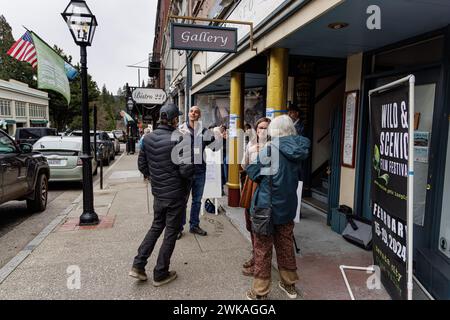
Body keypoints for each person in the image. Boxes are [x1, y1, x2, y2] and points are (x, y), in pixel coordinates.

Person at [245, 115, 310, 300]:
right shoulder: (300, 148)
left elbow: (252, 172)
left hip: (266, 206)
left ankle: (260, 292)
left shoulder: (270, 148)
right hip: (288, 206)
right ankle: (289, 284)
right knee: (286, 246)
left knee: (262, 249)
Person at [129, 103, 194, 286]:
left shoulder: (147, 139)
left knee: (156, 227)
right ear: (174, 120)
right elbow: (186, 171)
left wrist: (155, 177)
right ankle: (160, 272)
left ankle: (138, 265)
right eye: (177, 118)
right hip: (176, 195)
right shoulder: (180, 139)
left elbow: (142, 166)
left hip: (158, 193)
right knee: (171, 232)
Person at [178, 106, 215, 239]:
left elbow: (214, 147)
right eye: (191, 111)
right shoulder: (181, 130)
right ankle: (179, 227)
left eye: (196, 112)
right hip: (185, 172)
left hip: (200, 171)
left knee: (197, 201)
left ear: (199, 115)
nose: (193, 113)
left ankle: (194, 225)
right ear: (188, 114)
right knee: (182, 201)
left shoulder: (204, 131)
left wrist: (220, 139)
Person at [240, 117, 271, 277]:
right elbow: (243, 165)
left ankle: (261, 262)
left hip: (265, 189)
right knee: (250, 223)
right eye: (260, 128)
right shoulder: (251, 145)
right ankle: (255, 255)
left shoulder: (273, 147)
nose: (262, 131)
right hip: (251, 186)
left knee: (261, 225)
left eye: (266, 128)